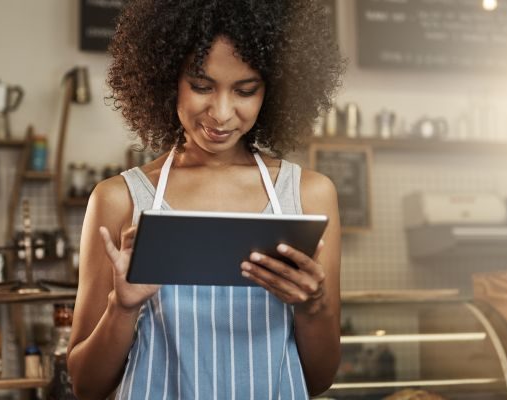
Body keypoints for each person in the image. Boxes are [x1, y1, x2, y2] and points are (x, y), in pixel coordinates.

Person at [67, 0, 344, 399]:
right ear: (166, 79)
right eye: (201, 86)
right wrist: (122, 308)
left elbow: (319, 381)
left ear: (274, 89)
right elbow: (86, 385)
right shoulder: (119, 200)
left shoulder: (309, 195)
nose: (222, 113)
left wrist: (313, 306)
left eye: (246, 90)